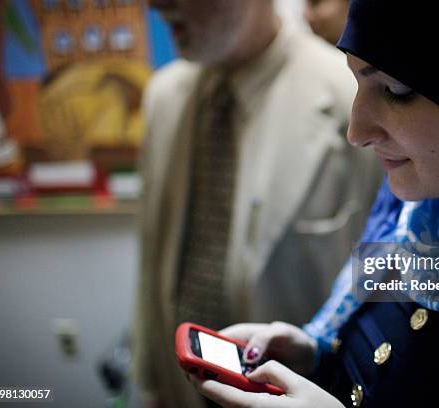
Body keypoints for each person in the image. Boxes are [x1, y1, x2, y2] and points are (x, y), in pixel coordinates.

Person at [188, 0, 439, 406]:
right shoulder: (421, 207)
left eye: (396, 89)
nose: (356, 130)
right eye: (357, 81)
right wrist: (317, 353)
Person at [132, 0, 381, 407]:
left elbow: (390, 276)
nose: (155, 5)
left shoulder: (357, 97)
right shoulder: (163, 97)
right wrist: (149, 385)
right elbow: (151, 260)